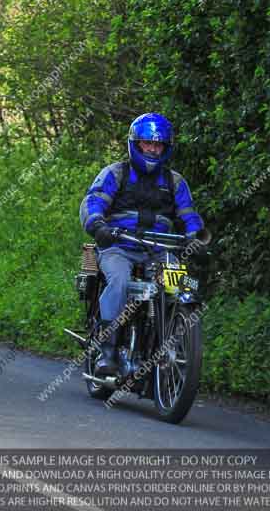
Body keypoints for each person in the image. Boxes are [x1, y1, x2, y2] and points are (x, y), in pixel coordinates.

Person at [79, 112, 207, 376]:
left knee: (179, 285)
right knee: (120, 281)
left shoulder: (175, 181)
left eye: (158, 145)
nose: (152, 149)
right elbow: (93, 202)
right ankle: (108, 350)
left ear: (166, 148)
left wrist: (196, 236)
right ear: (135, 144)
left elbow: (188, 215)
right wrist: (98, 226)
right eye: (147, 143)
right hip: (119, 245)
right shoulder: (116, 173)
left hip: (160, 249)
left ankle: (167, 341)